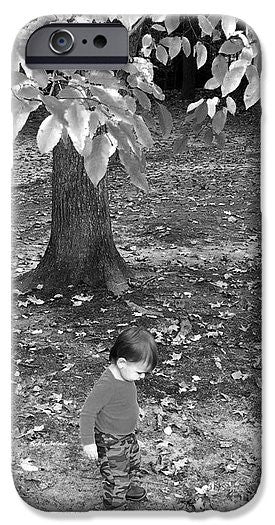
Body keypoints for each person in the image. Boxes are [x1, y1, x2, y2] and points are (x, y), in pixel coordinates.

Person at [80, 326, 158, 510]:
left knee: (133, 462)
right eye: (140, 372)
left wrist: (134, 409)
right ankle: (115, 506)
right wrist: (88, 442)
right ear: (122, 362)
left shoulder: (126, 375)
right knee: (116, 476)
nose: (142, 377)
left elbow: (126, 398)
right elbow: (87, 413)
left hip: (126, 435)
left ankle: (127, 488)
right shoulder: (106, 385)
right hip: (110, 439)